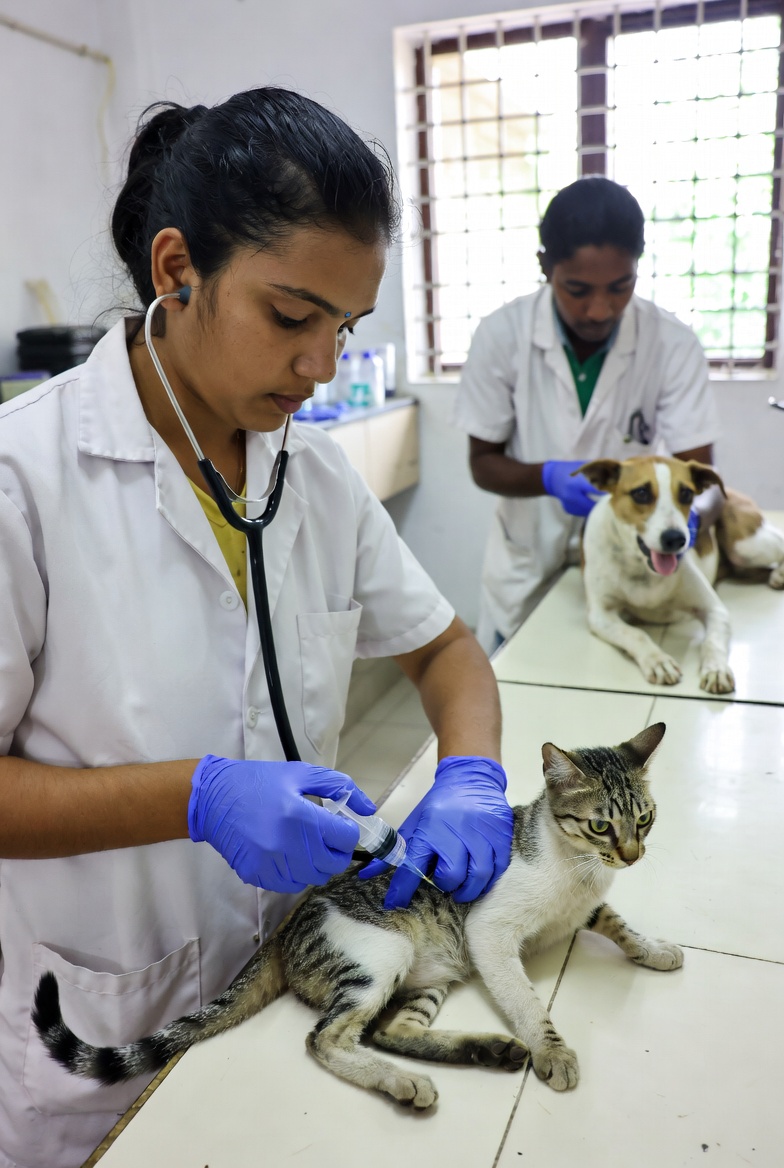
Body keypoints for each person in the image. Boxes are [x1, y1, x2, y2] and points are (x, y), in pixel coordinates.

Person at [0, 88, 514, 1168]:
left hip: (286, 989)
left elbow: (447, 650)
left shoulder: (313, 476)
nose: (322, 366)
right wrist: (197, 796)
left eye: (345, 328)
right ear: (176, 268)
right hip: (96, 1018)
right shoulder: (24, 482)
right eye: (291, 318)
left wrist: (469, 775)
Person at [453, 176, 722, 653]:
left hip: (633, 574)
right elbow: (483, 463)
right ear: (545, 266)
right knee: (524, 690)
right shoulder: (501, 336)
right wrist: (552, 478)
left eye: (621, 287)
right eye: (577, 289)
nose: (600, 309)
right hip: (527, 566)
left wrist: (690, 518)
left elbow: (700, 478)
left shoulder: (672, 345)